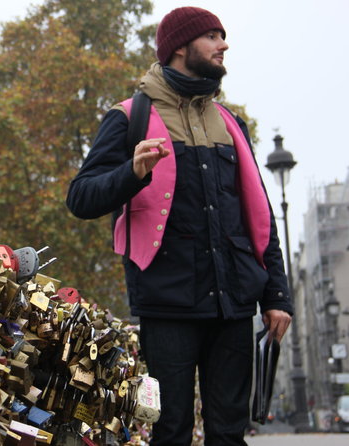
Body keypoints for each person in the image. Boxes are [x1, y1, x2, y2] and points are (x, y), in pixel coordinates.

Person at [65, 6, 293, 446]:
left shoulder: (231, 124)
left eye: (222, 36)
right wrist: (131, 172)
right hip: (166, 305)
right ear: (180, 47)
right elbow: (81, 197)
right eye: (212, 36)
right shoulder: (128, 117)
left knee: (229, 434)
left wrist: (276, 295)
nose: (223, 44)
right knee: (170, 431)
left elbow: (259, 217)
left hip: (233, 306)